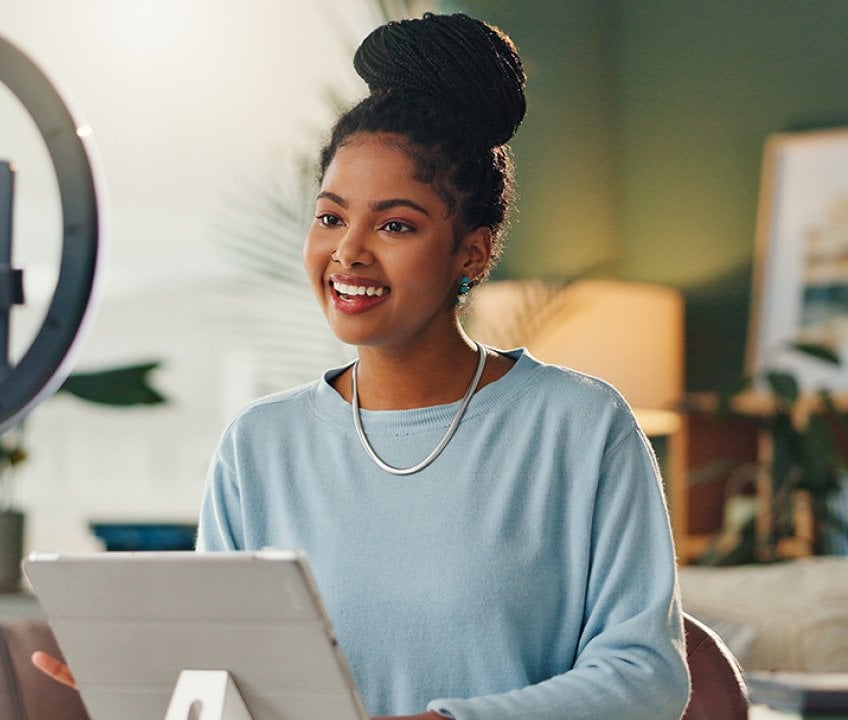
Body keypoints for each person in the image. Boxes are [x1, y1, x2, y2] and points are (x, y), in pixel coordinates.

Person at [37, 11, 691, 720]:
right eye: (330, 217)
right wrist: (155, 690)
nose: (348, 252)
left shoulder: (580, 427)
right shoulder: (260, 445)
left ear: (471, 251)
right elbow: (232, 688)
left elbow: (646, 674)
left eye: (396, 224)